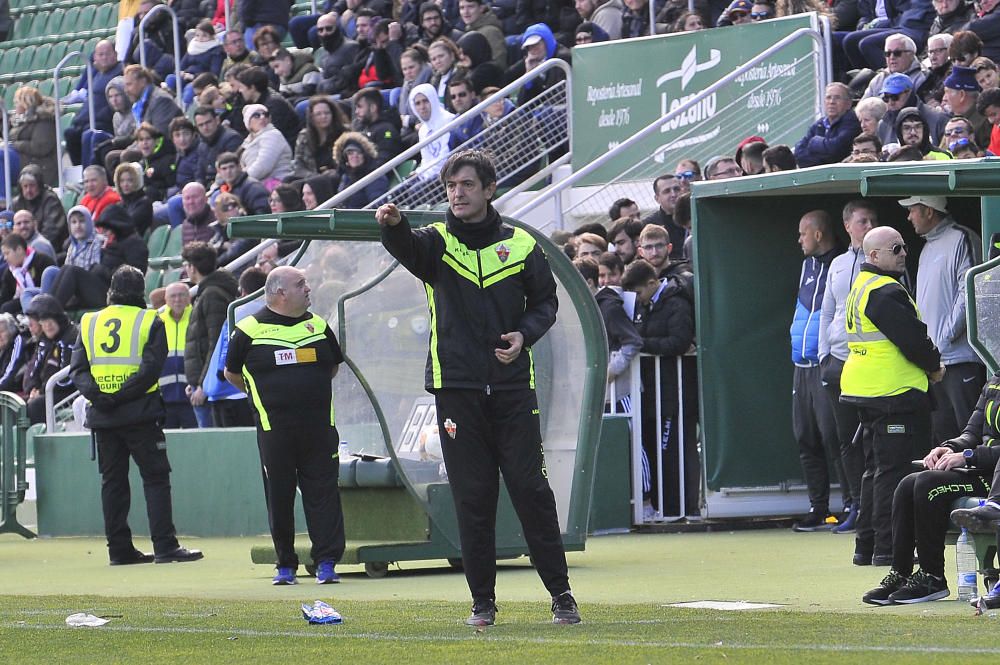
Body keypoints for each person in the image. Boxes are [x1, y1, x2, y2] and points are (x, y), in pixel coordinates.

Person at [376, 149, 581, 626]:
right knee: (473, 494)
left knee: (531, 489)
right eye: (451, 186)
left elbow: (545, 304)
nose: (457, 194)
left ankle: (562, 594)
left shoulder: (524, 245)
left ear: (490, 190)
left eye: (467, 185)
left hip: (512, 388)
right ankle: (483, 602)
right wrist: (392, 225)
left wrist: (524, 335)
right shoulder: (434, 242)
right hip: (456, 389)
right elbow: (406, 246)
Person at [70, 265, 204, 566]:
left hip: (103, 416)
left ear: (110, 291)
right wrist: (122, 396)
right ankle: (165, 546)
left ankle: (118, 550)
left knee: (112, 482)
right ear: (141, 292)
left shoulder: (89, 321)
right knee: (155, 479)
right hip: (140, 413)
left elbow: (78, 370)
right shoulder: (150, 320)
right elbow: (151, 369)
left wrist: (100, 397)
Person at [224, 266, 346, 585]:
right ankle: (286, 565)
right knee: (279, 497)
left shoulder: (317, 325)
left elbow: (331, 366)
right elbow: (232, 373)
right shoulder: (248, 330)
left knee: (323, 495)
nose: (308, 289)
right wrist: (265, 397)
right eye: (300, 284)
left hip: (319, 428)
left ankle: (327, 562)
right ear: (280, 293)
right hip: (274, 430)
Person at [841, 225, 944, 567]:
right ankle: (888, 547)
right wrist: (934, 366)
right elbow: (913, 339)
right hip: (894, 393)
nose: (904, 254)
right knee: (895, 473)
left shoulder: (862, 286)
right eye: (895, 249)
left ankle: (868, 545)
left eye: (904, 247)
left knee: (876, 471)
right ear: (873, 256)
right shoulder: (885, 291)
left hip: (868, 391)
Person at [863, 370, 1000, 605]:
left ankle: (932, 577)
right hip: (979, 467)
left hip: (993, 476)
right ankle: (901, 573)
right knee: (908, 483)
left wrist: (968, 456)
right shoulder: (994, 381)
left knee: (928, 484)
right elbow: (972, 432)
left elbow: (980, 452)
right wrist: (949, 447)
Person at [898, 195, 985, 442]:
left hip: (960, 363)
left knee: (969, 438)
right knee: (943, 439)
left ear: (928, 211)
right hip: (936, 365)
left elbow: (970, 291)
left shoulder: (962, 237)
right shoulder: (926, 249)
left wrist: (944, 338)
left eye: (912, 210)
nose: (908, 216)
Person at [818, 201, 878, 535]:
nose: (868, 226)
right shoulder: (838, 264)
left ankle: (873, 508)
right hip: (837, 362)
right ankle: (855, 504)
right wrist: (825, 353)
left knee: (870, 437)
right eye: (862, 221)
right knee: (844, 439)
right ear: (847, 226)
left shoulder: (884, 260)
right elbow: (828, 310)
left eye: (872, 221)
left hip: (869, 362)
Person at [621, 258, 696, 519]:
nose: (638, 299)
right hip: (654, 393)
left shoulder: (676, 303)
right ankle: (665, 507)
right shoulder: (647, 305)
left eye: (640, 292)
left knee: (672, 454)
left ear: (653, 283)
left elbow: (678, 342)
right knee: (657, 453)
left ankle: (679, 509)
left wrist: (641, 344)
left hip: (673, 394)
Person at [789, 211, 848, 531]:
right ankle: (819, 508)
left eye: (803, 233)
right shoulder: (806, 265)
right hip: (801, 365)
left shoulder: (842, 264)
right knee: (806, 438)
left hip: (829, 364)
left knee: (834, 437)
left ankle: (852, 504)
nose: (799, 240)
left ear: (819, 234)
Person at [50, 204, 148, 310]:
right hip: (104, 290)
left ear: (118, 227)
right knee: (65, 268)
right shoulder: (111, 243)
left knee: (73, 272)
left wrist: (101, 270)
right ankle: (46, 309)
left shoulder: (134, 243)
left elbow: (134, 278)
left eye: (107, 229)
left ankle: (50, 313)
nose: (104, 233)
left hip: (118, 298)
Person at [183, 242, 239, 429]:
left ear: (192, 267)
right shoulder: (208, 292)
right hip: (204, 386)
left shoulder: (211, 295)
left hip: (209, 390)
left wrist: (203, 385)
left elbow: (216, 344)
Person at [22, 294, 76, 424]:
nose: (47, 326)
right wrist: (32, 388)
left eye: (50, 321)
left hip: (67, 394)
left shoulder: (71, 337)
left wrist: (41, 392)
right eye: (43, 323)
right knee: (14, 406)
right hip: (45, 391)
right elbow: (32, 371)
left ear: (58, 319)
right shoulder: (45, 341)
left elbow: (66, 380)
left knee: (36, 406)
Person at [158, 282, 197, 429]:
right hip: (164, 398)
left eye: (181, 295)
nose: (177, 300)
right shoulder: (157, 321)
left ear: (188, 298)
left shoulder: (196, 318)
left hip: (191, 395)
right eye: (173, 296)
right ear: (166, 300)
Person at [793, 83, 861, 167]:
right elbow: (799, 152)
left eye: (837, 98)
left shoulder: (852, 122)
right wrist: (822, 161)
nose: (832, 102)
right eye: (828, 98)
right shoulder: (819, 124)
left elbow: (836, 150)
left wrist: (815, 143)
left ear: (848, 104)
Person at [8, 86, 58, 188]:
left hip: (39, 166)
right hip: (23, 161)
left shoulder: (44, 119)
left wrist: (14, 145)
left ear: (26, 103)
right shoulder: (20, 120)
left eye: (17, 102)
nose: (14, 106)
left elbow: (40, 147)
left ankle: (2, 197)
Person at [11, 165, 67, 250]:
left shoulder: (51, 200)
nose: (28, 190)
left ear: (39, 185)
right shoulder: (16, 203)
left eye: (32, 186)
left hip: (49, 250)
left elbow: (50, 232)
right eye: (25, 186)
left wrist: (29, 250)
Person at [292, 96, 348, 180]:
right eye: (318, 114)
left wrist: (337, 172)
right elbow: (298, 165)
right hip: (312, 178)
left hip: (337, 178)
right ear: (312, 117)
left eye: (327, 113)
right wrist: (315, 177)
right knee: (286, 181)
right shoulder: (304, 136)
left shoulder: (345, 133)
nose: (323, 117)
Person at [239, 104, 294, 188]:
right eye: (256, 115)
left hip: (276, 184)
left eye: (266, 114)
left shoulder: (272, 135)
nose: (262, 117)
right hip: (254, 183)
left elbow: (263, 167)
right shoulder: (247, 141)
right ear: (248, 123)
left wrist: (238, 179)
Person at [0, 233, 54, 315]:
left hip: (44, 299)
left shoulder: (42, 260)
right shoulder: (10, 272)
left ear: (19, 249)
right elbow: (5, 297)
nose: (5, 258)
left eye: (7, 253)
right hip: (23, 303)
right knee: (6, 308)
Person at [332, 132, 390, 208]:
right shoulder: (346, 177)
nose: (354, 156)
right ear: (345, 157)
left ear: (365, 155)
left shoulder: (375, 176)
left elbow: (377, 205)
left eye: (358, 152)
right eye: (350, 153)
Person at [194, 108, 244, 187]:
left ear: (217, 120)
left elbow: (232, 171)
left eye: (208, 122)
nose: (205, 127)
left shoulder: (232, 138)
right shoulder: (201, 145)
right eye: (201, 125)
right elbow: (200, 174)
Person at [641, 175, 686, 259]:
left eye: (676, 189)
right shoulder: (649, 225)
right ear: (657, 198)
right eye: (667, 191)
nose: (673, 194)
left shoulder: (694, 216)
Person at [113, 162, 154, 238]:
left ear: (137, 181)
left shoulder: (144, 203)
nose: (125, 184)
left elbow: (127, 224)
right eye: (122, 181)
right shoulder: (121, 204)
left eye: (130, 180)